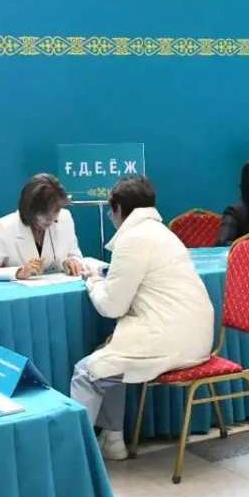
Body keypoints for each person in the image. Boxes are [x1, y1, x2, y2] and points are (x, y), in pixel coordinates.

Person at [71, 176, 214, 460]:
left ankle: (75, 459)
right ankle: (113, 442)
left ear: (119, 209)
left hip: (169, 339)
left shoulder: (132, 239)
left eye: (111, 211)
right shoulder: (162, 233)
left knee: (87, 372)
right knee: (107, 357)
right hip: (196, 337)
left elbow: (111, 307)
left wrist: (92, 282)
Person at [0, 173, 84, 280]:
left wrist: (72, 262)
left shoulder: (65, 218)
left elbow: (75, 255)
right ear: (28, 209)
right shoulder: (7, 227)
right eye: (44, 212)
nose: (51, 218)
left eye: (56, 210)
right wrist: (18, 272)